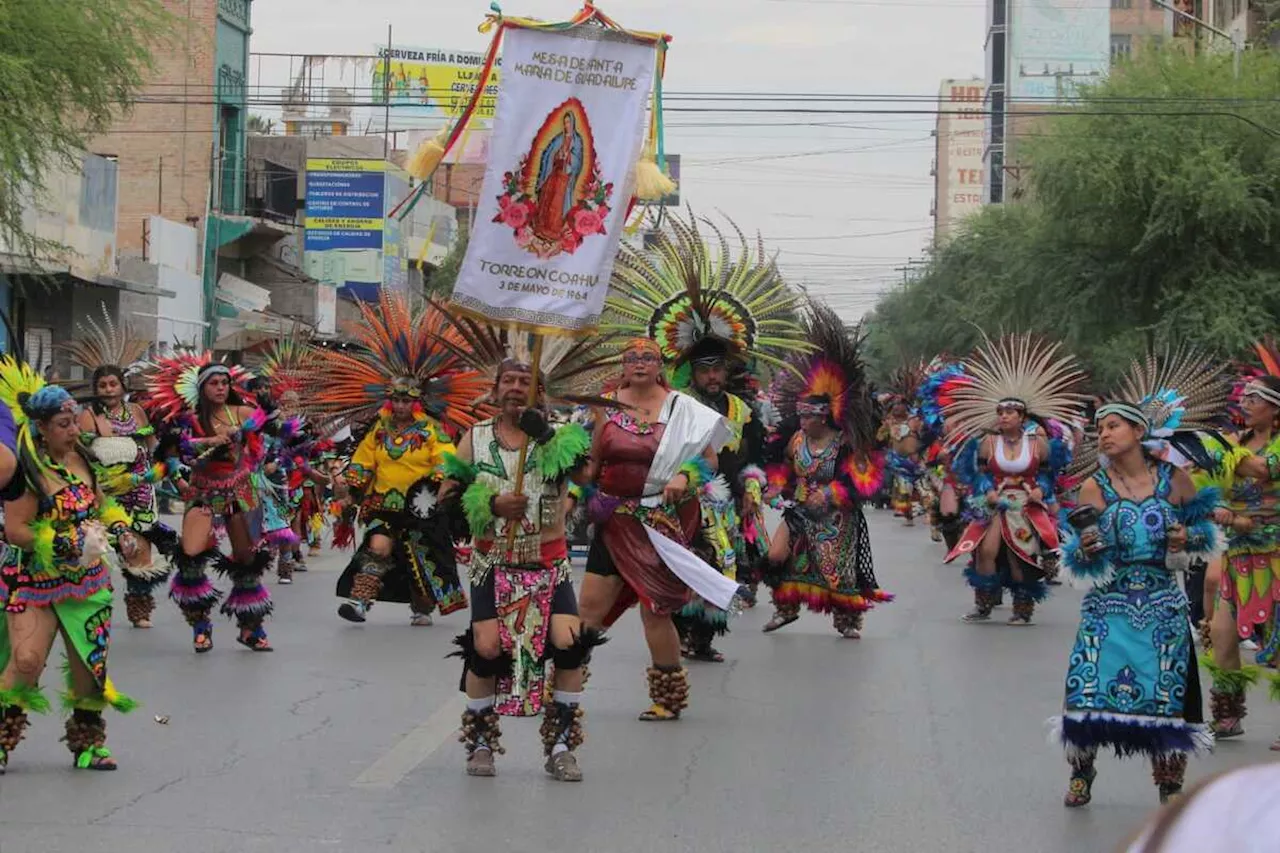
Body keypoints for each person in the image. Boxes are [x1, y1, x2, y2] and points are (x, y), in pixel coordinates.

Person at [603, 208, 809, 661]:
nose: (713, 376)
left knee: (721, 563)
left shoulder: (741, 409)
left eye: (719, 369)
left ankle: (705, 637)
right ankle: (680, 632)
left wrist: (753, 486)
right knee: (683, 566)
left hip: (729, 501)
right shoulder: (674, 405)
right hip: (678, 498)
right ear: (689, 372)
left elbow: (755, 455)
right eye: (705, 369)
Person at [1057, 400, 1220, 807]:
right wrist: (1087, 549)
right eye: (1099, 429)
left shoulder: (1175, 480)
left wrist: (1186, 540)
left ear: (1138, 431)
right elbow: (1078, 556)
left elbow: (1206, 535)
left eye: (1113, 426)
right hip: (1108, 605)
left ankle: (1169, 784)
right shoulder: (1095, 486)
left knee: (1168, 694)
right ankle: (1082, 769)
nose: (1105, 435)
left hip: (1163, 602)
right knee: (1089, 688)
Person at [443, 353, 598, 781]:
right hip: (492, 561)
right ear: (495, 391)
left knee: (569, 646)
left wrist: (546, 435)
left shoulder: (563, 435)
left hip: (549, 562)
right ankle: (479, 744)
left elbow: (585, 478)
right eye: (508, 381)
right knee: (487, 648)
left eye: (524, 382)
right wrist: (491, 504)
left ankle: (562, 746)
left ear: (540, 393)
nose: (515, 388)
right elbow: (446, 496)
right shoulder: (473, 437)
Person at [577, 337, 740, 722]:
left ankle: (668, 697)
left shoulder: (684, 409)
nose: (639, 364)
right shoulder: (604, 406)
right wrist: (568, 476)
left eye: (647, 357)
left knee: (656, 611)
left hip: (659, 524)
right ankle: (564, 684)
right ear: (622, 363)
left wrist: (685, 475)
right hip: (613, 520)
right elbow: (591, 463)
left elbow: (709, 460)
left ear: (660, 364)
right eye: (631, 357)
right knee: (587, 609)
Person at [307, 292, 486, 626]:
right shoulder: (379, 431)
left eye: (407, 401)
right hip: (384, 505)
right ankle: (360, 603)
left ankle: (421, 605)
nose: (401, 406)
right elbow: (363, 462)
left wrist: (435, 486)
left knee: (420, 565)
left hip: (420, 510)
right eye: (396, 400)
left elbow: (445, 463)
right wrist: (349, 485)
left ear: (416, 403)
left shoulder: (432, 432)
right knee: (378, 549)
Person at [0, 359, 139, 773]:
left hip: (87, 584)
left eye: (74, 422)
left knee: (89, 671)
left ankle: (88, 744)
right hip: (35, 582)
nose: (74, 430)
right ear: (42, 428)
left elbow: (105, 503)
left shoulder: (84, 460)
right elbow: (16, 530)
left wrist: (122, 529)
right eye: (64, 424)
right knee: (26, 660)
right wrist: (63, 541)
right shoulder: (27, 471)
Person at [759, 304, 890, 638]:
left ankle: (846, 620)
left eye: (809, 416)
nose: (803, 421)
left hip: (835, 515)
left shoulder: (844, 442)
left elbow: (862, 476)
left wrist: (832, 493)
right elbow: (780, 467)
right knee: (778, 556)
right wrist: (775, 487)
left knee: (836, 571)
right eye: (800, 416)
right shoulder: (795, 440)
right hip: (800, 508)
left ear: (825, 416)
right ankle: (785, 607)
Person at [940, 334, 1083, 626]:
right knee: (986, 549)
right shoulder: (987, 443)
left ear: (1022, 416)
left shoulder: (1039, 443)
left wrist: (1041, 492)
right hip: (994, 502)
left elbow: (1047, 476)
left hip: (1024, 505)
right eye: (1000, 412)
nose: (1003, 417)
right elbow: (978, 474)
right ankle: (984, 603)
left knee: (1021, 555)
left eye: (1010, 412)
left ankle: (1022, 608)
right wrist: (987, 492)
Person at [147, 355, 277, 653]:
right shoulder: (188, 420)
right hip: (202, 493)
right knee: (191, 555)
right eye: (214, 383)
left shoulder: (242, 411)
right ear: (201, 388)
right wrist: (205, 443)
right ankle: (200, 624)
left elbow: (269, 425)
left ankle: (250, 627)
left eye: (224, 383)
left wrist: (267, 409)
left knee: (246, 561)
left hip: (238, 493)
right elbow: (170, 452)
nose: (220, 388)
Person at [1198, 368, 1280, 745]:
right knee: (1222, 634)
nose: (1245, 404)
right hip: (1237, 553)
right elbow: (1210, 483)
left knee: (1277, 644)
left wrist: (1215, 445)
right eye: (1243, 398)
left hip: (1275, 553)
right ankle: (1228, 715)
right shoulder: (1237, 440)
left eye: (1254, 399)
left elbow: (1263, 470)